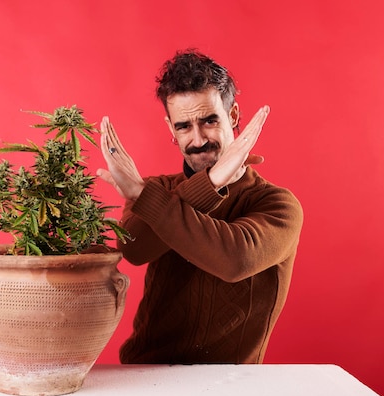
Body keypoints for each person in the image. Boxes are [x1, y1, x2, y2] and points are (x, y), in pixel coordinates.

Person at [97, 49, 303, 364]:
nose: (198, 139)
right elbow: (135, 249)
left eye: (209, 121)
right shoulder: (158, 190)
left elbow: (235, 261)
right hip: (144, 375)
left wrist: (146, 194)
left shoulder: (277, 204)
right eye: (183, 126)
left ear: (232, 116)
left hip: (231, 386)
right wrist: (211, 183)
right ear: (170, 128)